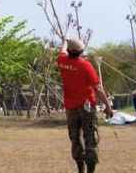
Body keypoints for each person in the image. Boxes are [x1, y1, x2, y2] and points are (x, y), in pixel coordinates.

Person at [57, 37, 114, 173]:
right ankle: (90, 171)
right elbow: (98, 88)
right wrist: (108, 106)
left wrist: (65, 40)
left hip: (71, 108)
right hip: (86, 107)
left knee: (75, 139)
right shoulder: (85, 65)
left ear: (70, 51)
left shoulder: (62, 61)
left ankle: (80, 169)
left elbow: (62, 51)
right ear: (81, 51)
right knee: (90, 139)